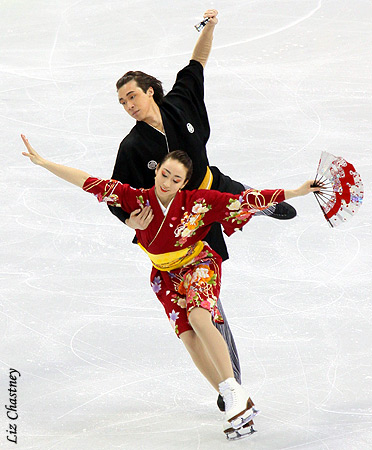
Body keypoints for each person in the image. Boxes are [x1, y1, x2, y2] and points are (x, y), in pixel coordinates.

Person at [21, 134, 319, 439]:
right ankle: (235, 398)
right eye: (165, 174)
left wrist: (295, 192)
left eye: (176, 179)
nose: (167, 182)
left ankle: (232, 391)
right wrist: (44, 163)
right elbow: (89, 182)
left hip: (198, 264)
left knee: (199, 317)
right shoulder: (135, 199)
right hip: (164, 275)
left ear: (184, 183)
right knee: (189, 337)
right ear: (156, 170)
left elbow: (244, 201)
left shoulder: (198, 203)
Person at [109, 9, 296, 410]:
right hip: (188, 225)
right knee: (208, 307)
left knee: (234, 194)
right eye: (122, 101)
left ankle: (258, 204)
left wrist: (209, 28)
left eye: (132, 96)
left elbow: (197, 61)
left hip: (214, 189)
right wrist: (128, 217)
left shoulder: (180, 102)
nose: (128, 105)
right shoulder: (131, 148)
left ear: (150, 92)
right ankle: (233, 383)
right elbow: (114, 194)